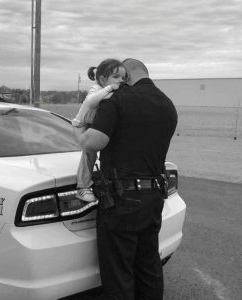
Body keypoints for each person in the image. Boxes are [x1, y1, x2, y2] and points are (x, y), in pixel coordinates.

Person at [76, 58, 178, 300]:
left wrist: (77, 125)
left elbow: (93, 142)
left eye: (121, 77)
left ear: (127, 77)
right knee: (148, 266)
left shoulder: (117, 100)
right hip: (154, 198)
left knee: (119, 273)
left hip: (121, 201)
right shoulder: (167, 105)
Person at [72, 59, 126, 202]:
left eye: (123, 77)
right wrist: (109, 89)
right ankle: (82, 187)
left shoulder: (113, 91)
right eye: (116, 77)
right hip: (81, 125)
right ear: (102, 79)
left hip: (93, 125)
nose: (120, 80)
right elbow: (91, 102)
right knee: (90, 151)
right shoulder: (96, 88)